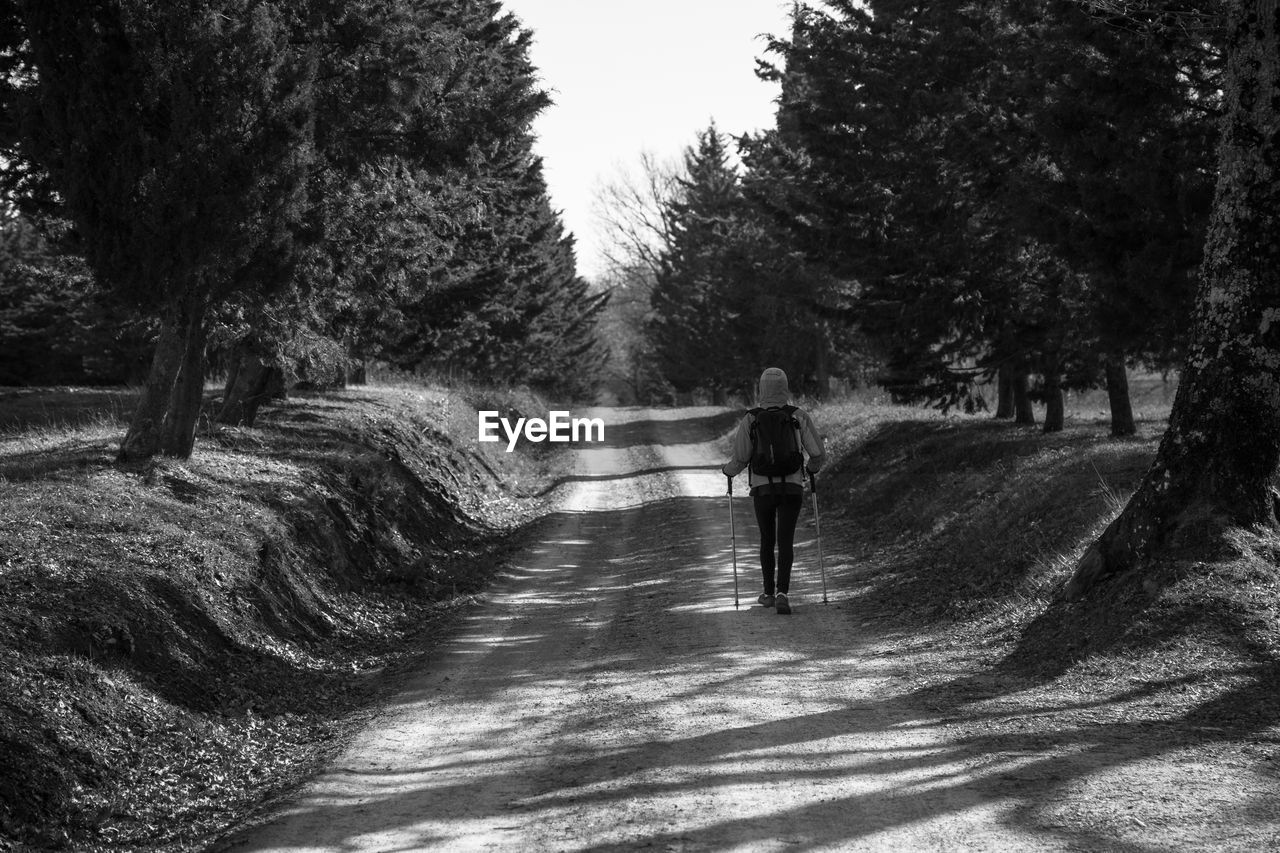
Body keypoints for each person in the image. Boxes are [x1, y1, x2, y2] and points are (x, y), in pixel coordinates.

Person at [721, 367, 826, 614]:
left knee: (767, 540)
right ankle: (782, 593)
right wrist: (811, 469)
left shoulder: (751, 418)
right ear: (785, 388)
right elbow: (818, 454)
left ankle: (768, 593)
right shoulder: (798, 415)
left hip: (762, 489)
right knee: (786, 540)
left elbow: (741, 459)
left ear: (761, 389)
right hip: (792, 487)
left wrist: (727, 471)